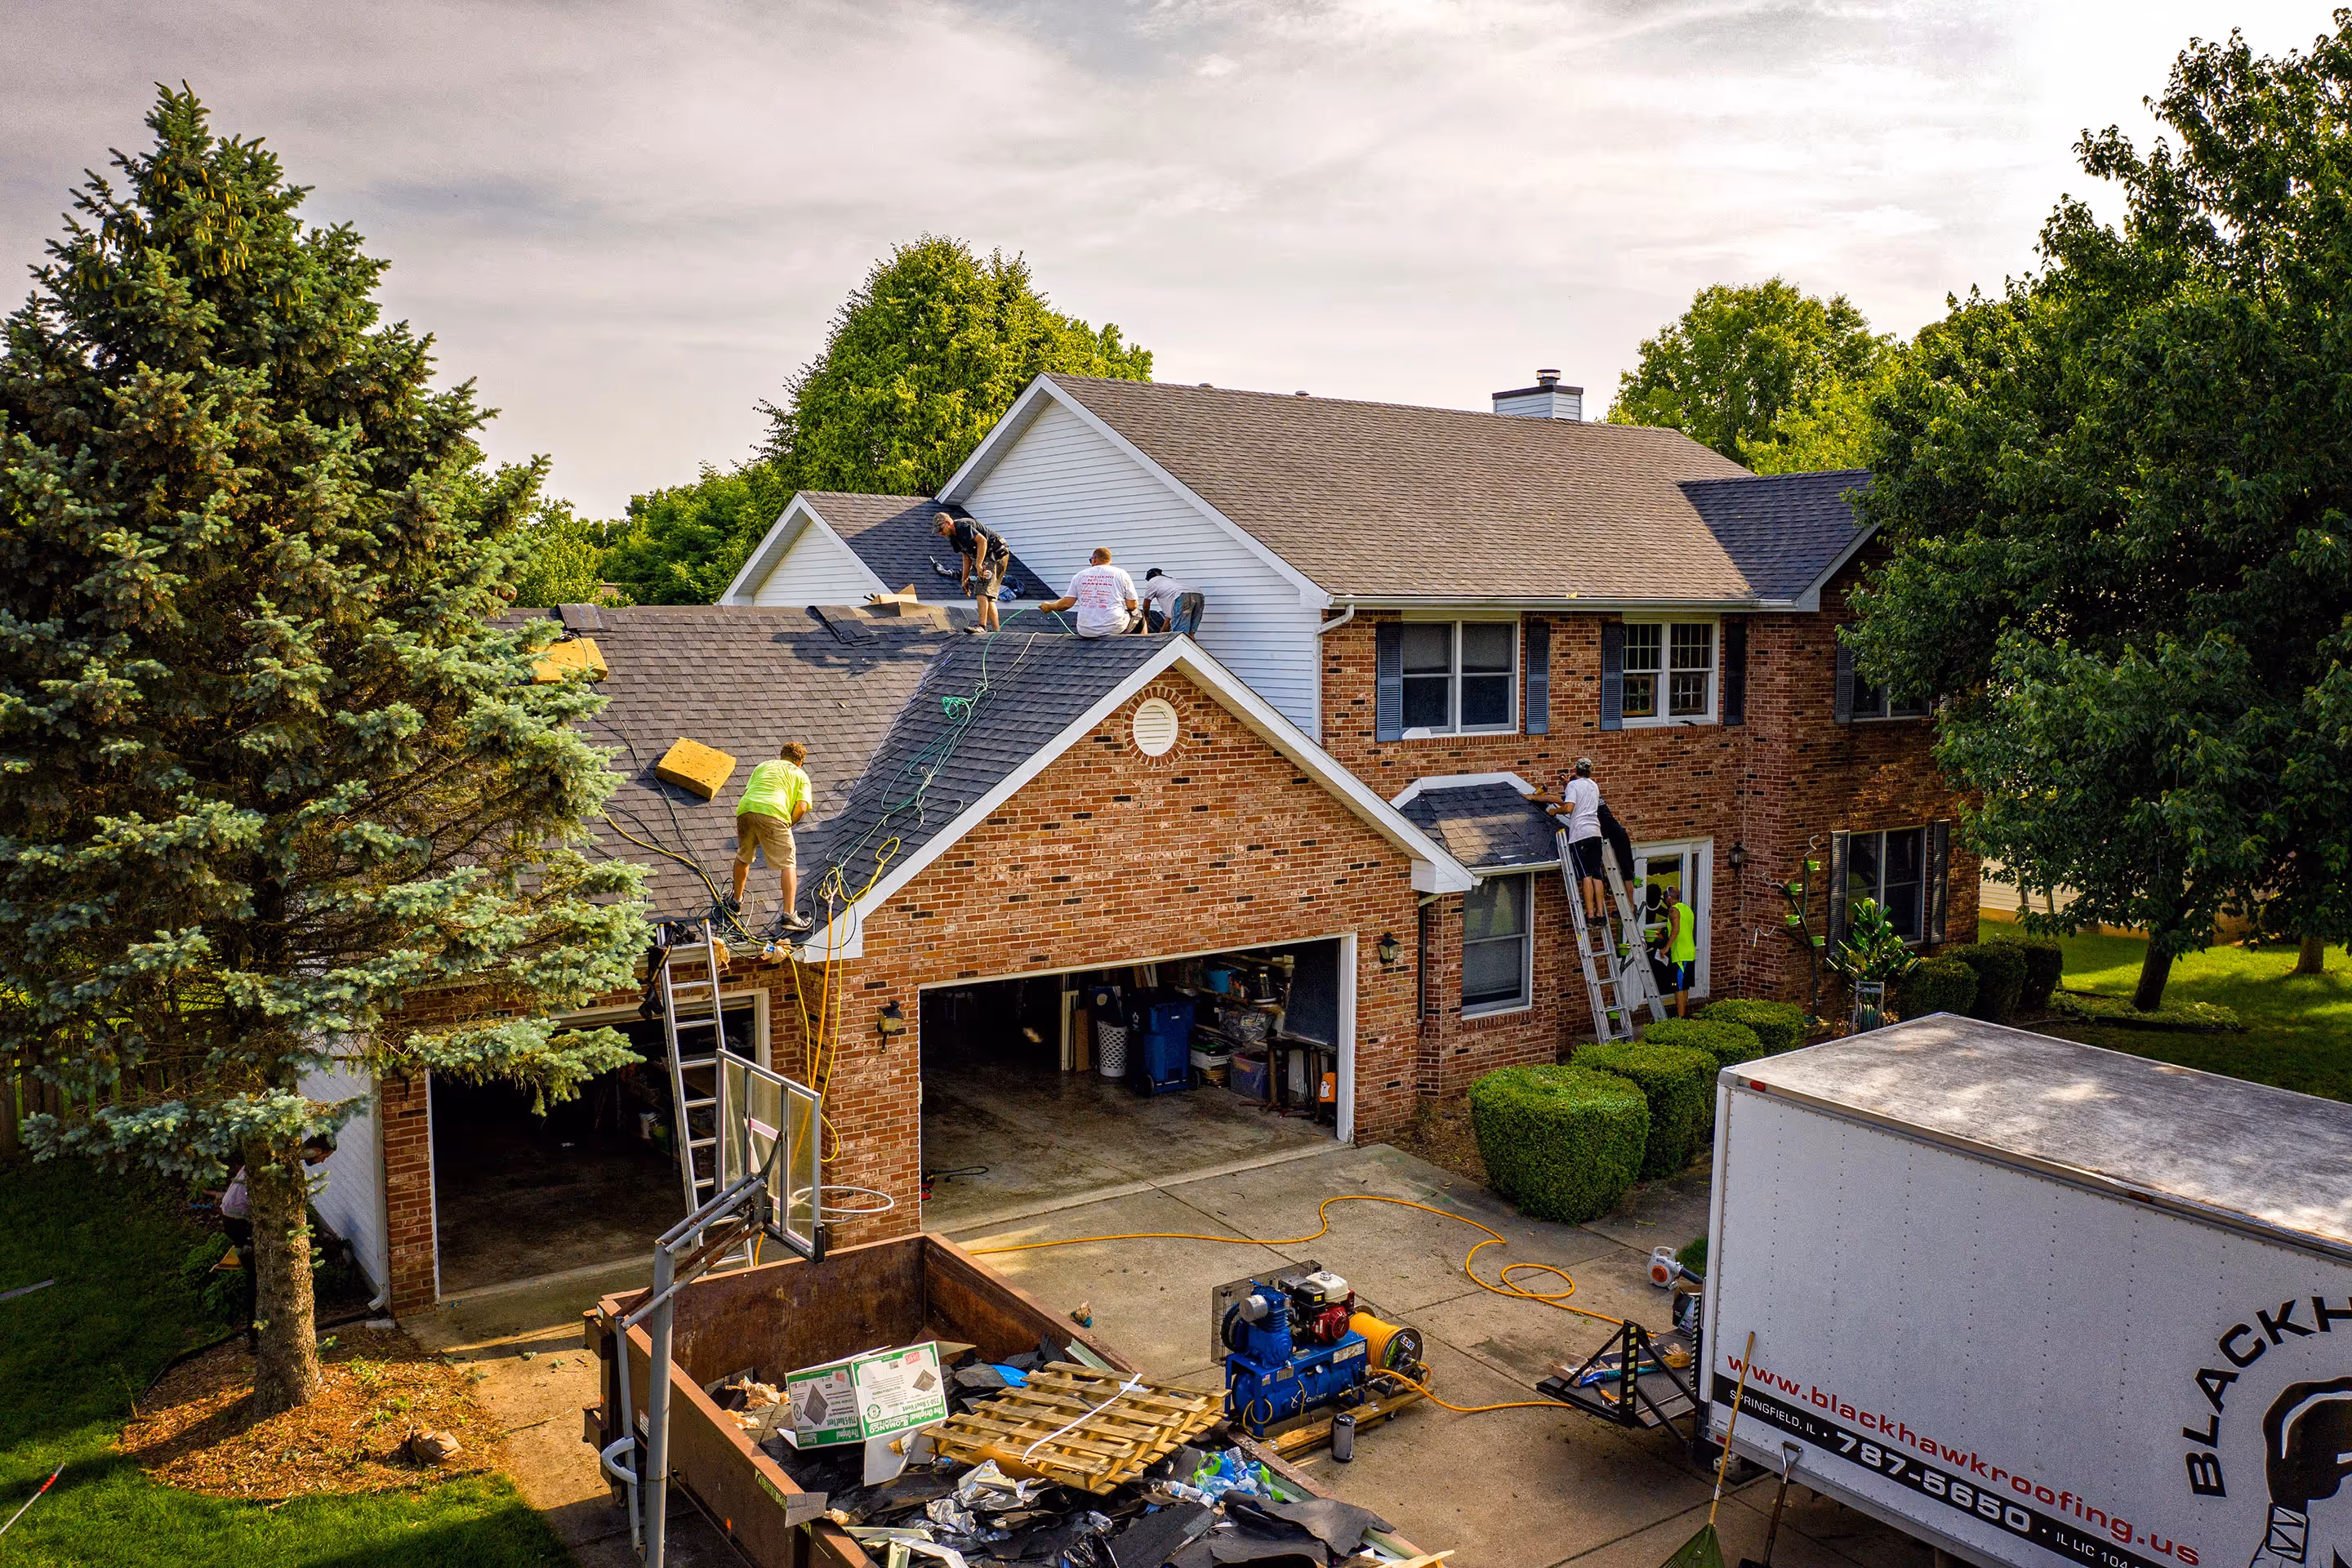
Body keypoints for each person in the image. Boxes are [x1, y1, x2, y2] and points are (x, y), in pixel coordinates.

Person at [728, 741, 813, 933]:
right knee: (788, 863)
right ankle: (789, 915)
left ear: (782, 756)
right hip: (773, 812)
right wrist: (787, 824)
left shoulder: (763, 766)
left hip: (746, 808)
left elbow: (752, 791)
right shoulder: (800, 774)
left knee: (744, 855)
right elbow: (801, 807)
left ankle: (736, 902)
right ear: (800, 762)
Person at [1039, 548, 1139, 639]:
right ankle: (1144, 641)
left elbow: (1066, 604)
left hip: (1086, 630)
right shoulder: (1121, 574)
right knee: (1139, 614)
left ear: (1094, 559)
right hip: (1113, 627)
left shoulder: (1080, 575)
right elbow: (1132, 606)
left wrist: (1050, 606)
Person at [934, 511, 1007, 633]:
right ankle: (996, 632)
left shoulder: (962, 526)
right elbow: (967, 557)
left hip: (996, 552)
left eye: (941, 529)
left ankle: (982, 627)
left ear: (948, 523)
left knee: (981, 588)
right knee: (987, 596)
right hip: (986, 555)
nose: (941, 533)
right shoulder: (954, 539)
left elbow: (982, 541)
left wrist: (979, 564)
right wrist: (964, 579)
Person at [1560, 759, 1606, 920]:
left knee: (1586, 875)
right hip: (1595, 832)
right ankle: (1600, 914)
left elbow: (1569, 807)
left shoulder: (1574, 786)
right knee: (1597, 875)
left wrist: (1555, 811)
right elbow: (1582, 800)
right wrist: (1567, 785)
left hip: (1580, 834)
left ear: (1576, 770)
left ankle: (1590, 914)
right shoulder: (1594, 785)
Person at [1658, 884, 1698, 1017]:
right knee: (1684, 986)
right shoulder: (1687, 909)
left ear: (1669, 898)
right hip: (1690, 952)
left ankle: (1680, 1018)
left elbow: (1676, 930)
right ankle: (1684, 1015)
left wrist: (1665, 948)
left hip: (1680, 955)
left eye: (1665, 898)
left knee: (1678, 988)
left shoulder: (1674, 910)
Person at [1139, 568, 1187, 633]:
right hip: (1196, 594)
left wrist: (1146, 620)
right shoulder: (1170, 581)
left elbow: (1146, 606)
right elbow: (1168, 619)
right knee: (1190, 633)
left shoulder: (1152, 582)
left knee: (1178, 633)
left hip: (1180, 597)